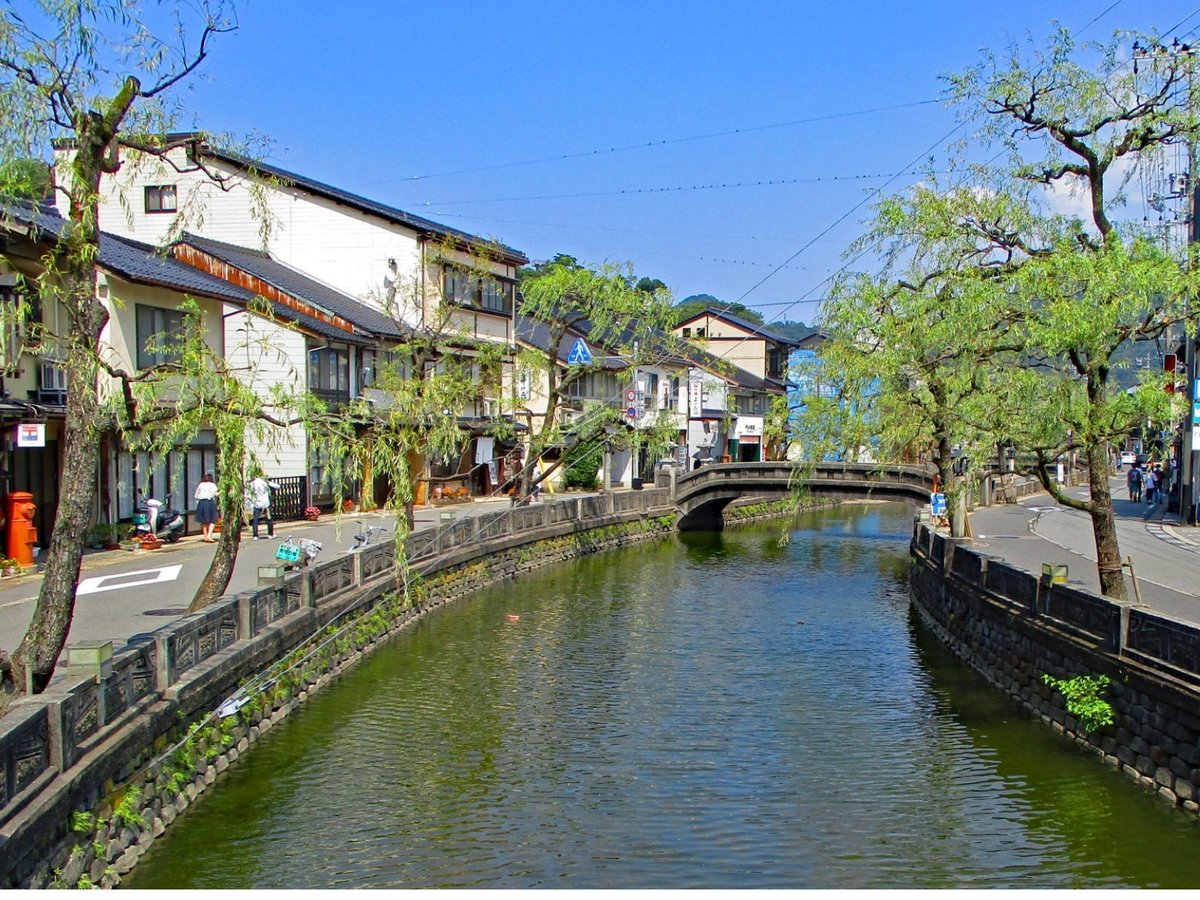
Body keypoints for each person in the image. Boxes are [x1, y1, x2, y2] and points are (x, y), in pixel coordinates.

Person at [249, 471, 280, 540]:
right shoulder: (264, 482)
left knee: (255, 519)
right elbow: (277, 486)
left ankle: (255, 535)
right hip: (266, 503)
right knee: (269, 519)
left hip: (257, 503)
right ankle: (270, 534)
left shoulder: (252, 483)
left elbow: (249, 493)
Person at [194, 473, 219, 542]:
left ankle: (205, 536)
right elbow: (216, 494)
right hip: (209, 502)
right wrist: (223, 492)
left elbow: (196, 495)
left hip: (201, 503)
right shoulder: (212, 485)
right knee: (213, 519)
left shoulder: (201, 484)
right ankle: (209, 535)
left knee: (204, 521)